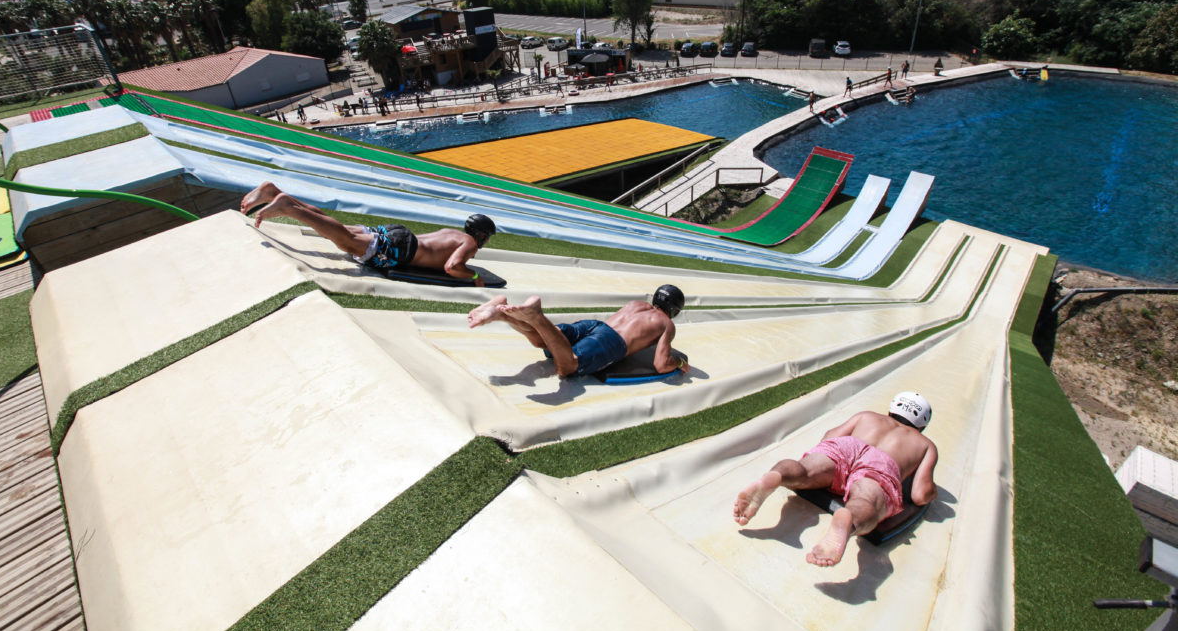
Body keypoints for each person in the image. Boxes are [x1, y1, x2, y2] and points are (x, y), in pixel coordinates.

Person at [732, 392, 938, 568]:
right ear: (922, 426)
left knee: (804, 470)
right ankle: (849, 520)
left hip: (848, 446)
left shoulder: (867, 416)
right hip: (882, 464)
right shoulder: (925, 444)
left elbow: (828, 437)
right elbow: (920, 495)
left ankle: (777, 476)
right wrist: (933, 492)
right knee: (865, 500)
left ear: (891, 410)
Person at [240, 181, 495, 285]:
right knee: (345, 241)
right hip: (401, 249)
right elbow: (452, 267)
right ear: (481, 234)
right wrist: (474, 276)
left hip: (399, 236)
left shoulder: (453, 232)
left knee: (336, 226)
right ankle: (287, 207)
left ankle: (274, 193)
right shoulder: (469, 243)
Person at [468, 285, 687, 379]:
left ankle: (500, 313)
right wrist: (678, 363)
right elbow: (661, 364)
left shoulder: (637, 303)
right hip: (611, 341)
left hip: (596, 326)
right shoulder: (666, 323)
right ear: (674, 310)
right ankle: (536, 316)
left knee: (543, 341)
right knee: (568, 366)